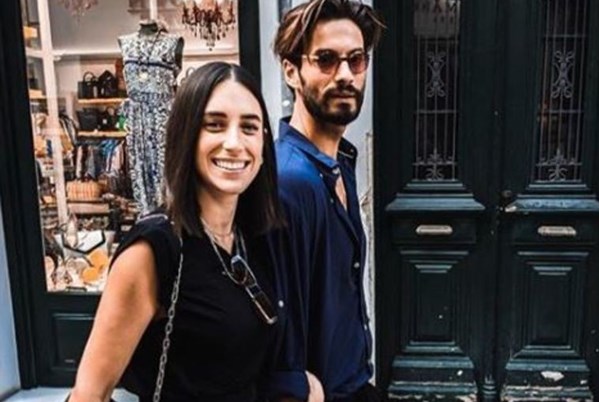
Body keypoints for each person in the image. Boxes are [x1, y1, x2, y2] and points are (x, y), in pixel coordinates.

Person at [68, 62, 289, 402]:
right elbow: (89, 395)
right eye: (214, 125)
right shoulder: (154, 250)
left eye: (249, 127)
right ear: (187, 136)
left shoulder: (250, 237)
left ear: (263, 145)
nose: (234, 143)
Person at [269, 0, 385, 400]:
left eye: (356, 60)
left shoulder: (340, 163)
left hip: (353, 382)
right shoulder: (290, 181)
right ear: (291, 71)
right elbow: (277, 318)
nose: (346, 75)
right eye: (326, 60)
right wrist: (297, 388)